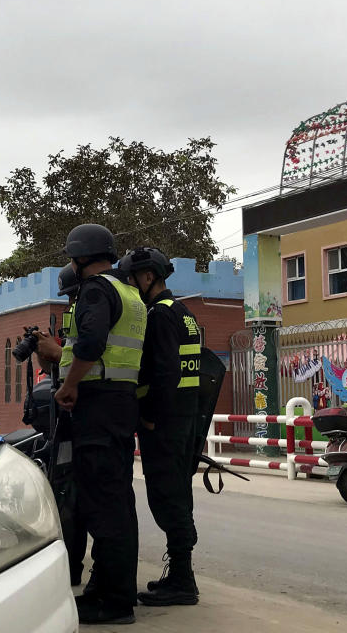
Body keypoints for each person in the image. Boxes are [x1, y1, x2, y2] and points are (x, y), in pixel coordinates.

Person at [54, 224, 146, 626]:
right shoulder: (131, 293)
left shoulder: (94, 290)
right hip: (121, 404)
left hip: (97, 403)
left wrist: (69, 385)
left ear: (78, 259)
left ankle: (114, 602)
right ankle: (109, 590)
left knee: (102, 503)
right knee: (118, 499)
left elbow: (90, 345)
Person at [119, 247, 201, 607]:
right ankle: (181, 575)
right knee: (178, 495)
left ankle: (182, 581)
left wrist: (149, 413)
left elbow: (165, 372)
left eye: (133, 278)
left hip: (164, 423)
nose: (131, 284)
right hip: (183, 419)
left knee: (167, 498)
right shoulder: (183, 313)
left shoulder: (158, 316)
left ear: (148, 277)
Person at [29, 263, 88, 588]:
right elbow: (64, 360)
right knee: (66, 495)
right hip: (69, 421)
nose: (69, 303)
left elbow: (90, 355)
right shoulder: (79, 315)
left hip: (86, 416)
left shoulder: (97, 308)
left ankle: (80, 570)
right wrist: (46, 351)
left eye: (72, 296)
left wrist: (58, 351)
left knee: (77, 499)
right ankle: (71, 567)